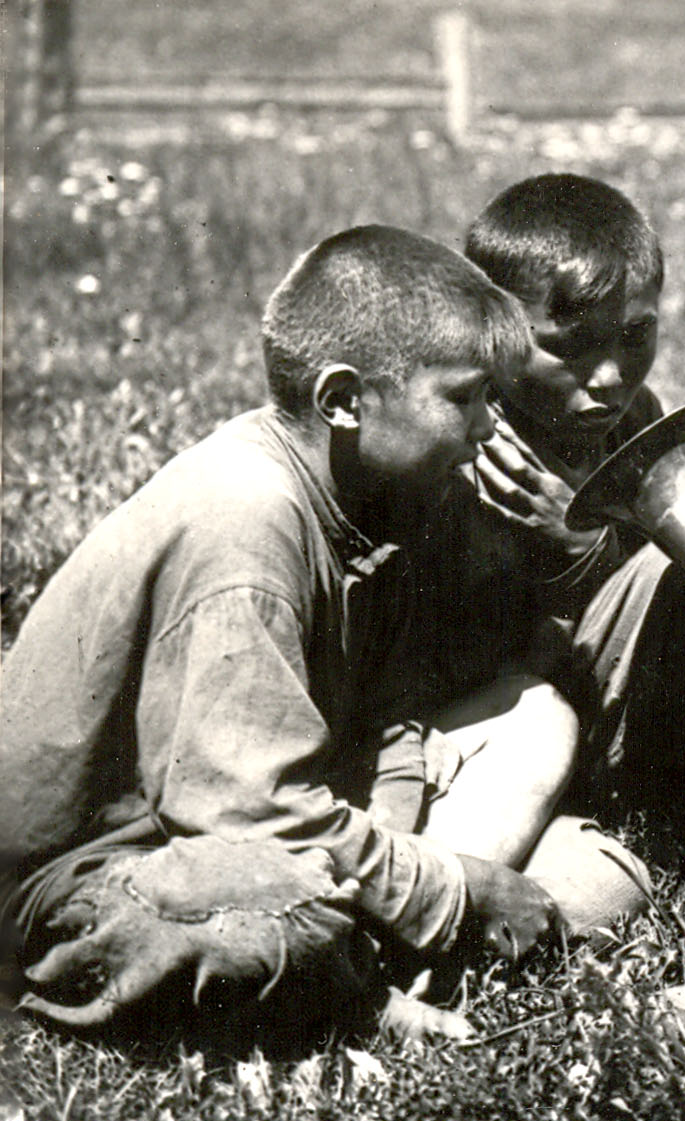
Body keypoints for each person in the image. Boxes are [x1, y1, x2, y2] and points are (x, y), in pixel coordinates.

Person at [1, 226, 566, 1042]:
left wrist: (415, 868)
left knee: (534, 714)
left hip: (259, 818)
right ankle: (360, 996)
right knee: (267, 921)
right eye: (464, 397)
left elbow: (390, 719)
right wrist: (450, 889)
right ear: (343, 401)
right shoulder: (248, 518)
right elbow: (240, 813)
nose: (486, 429)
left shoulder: (370, 494)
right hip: (96, 877)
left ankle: (362, 949)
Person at [416, 174, 685, 894]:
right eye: (569, 346)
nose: (608, 376)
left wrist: (586, 551)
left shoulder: (635, 420)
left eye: (637, 336)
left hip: (589, 731)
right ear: (493, 327)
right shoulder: (449, 446)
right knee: (593, 895)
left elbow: (657, 620)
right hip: (490, 745)